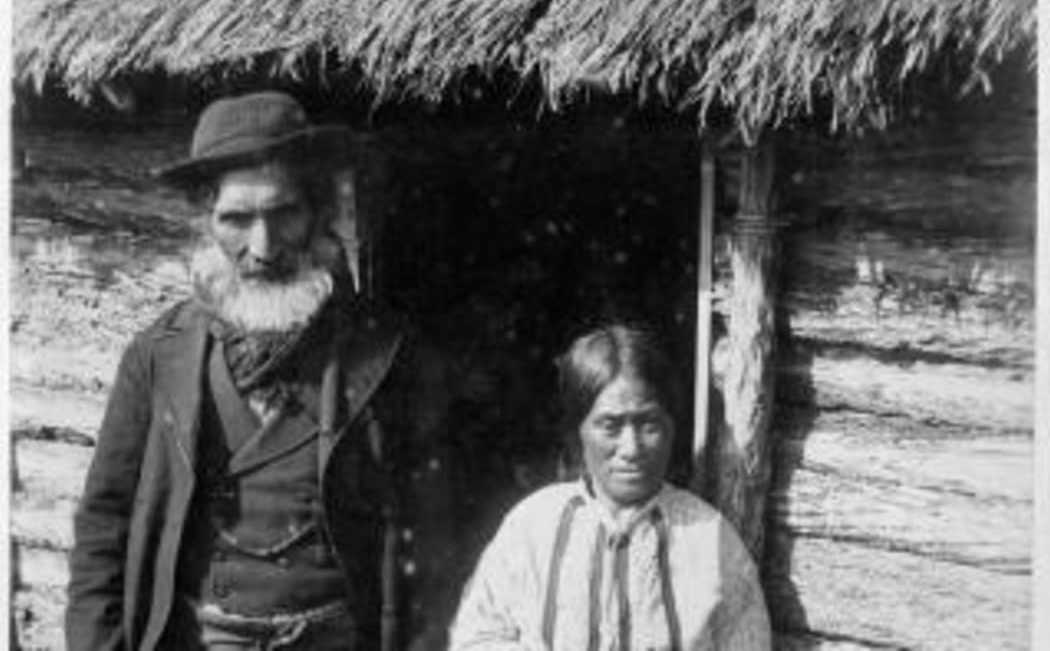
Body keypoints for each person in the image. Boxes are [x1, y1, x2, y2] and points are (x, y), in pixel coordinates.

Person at [65, 91, 457, 651]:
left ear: (319, 212)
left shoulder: (389, 355)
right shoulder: (158, 356)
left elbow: (431, 548)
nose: (263, 246)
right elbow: (105, 526)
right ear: (206, 221)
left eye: (283, 213)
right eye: (236, 219)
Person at [449, 324, 772, 650]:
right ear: (579, 431)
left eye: (648, 424)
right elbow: (475, 638)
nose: (631, 448)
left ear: (672, 428)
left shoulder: (711, 541)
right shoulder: (531, 529)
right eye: (610, 425)